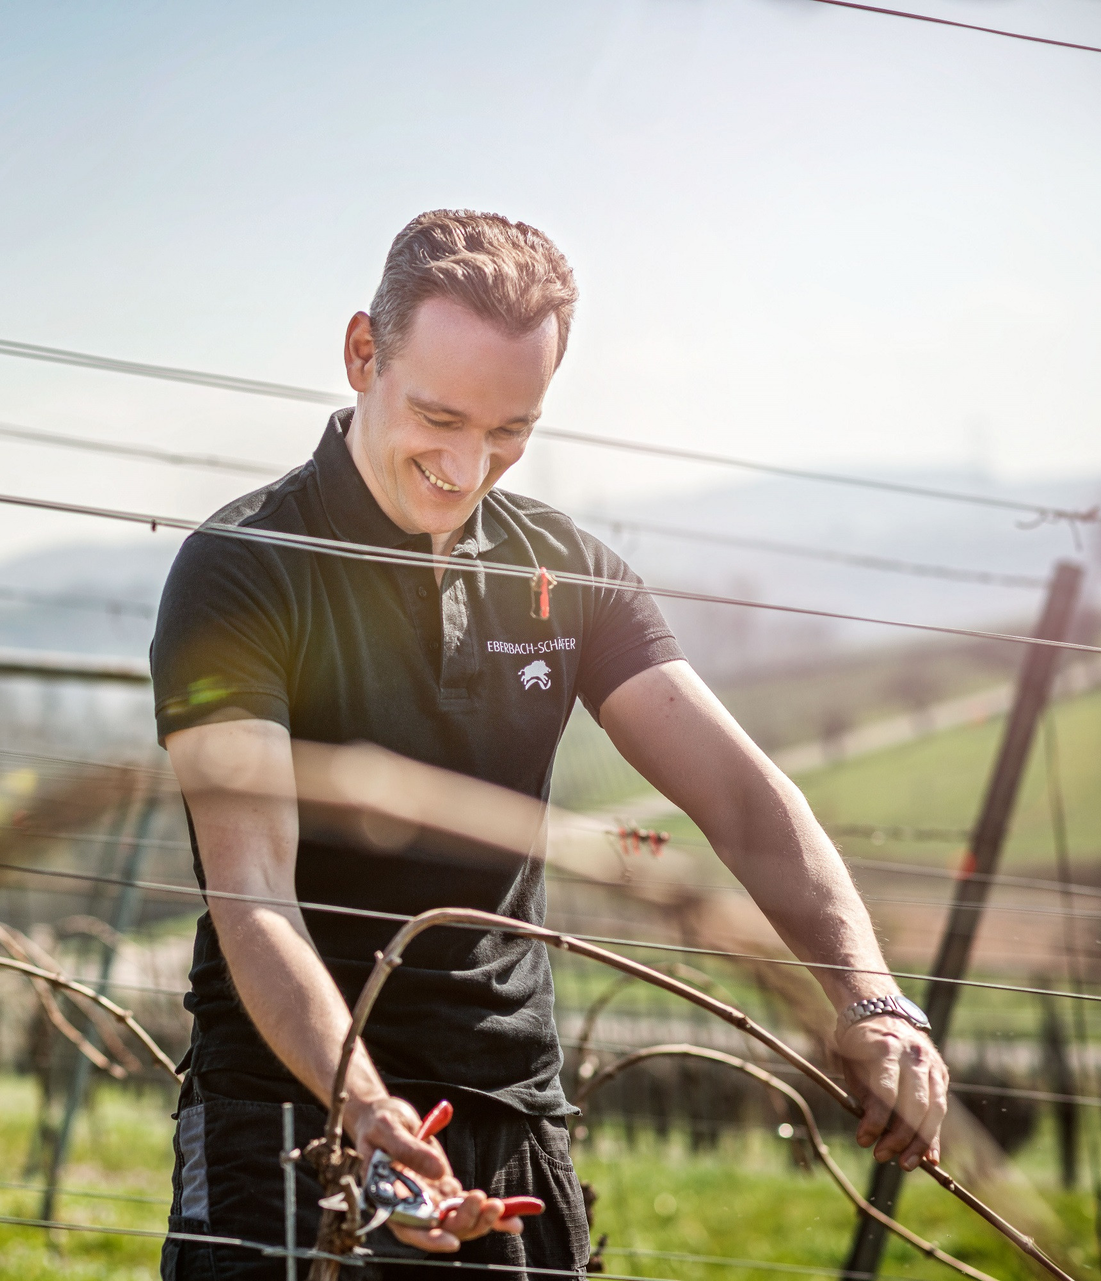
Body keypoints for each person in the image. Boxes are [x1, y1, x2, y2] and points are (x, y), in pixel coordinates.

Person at [150, 210, 950, 1279]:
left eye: (511, 430)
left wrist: (871, 997)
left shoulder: (565, 573)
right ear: (362, 354)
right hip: (291, 1118)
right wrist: (366, 1108)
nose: (466, 464)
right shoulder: (242, 568)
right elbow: (253, 894)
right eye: (439, 416)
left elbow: (743, 799)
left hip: (511, 1109)